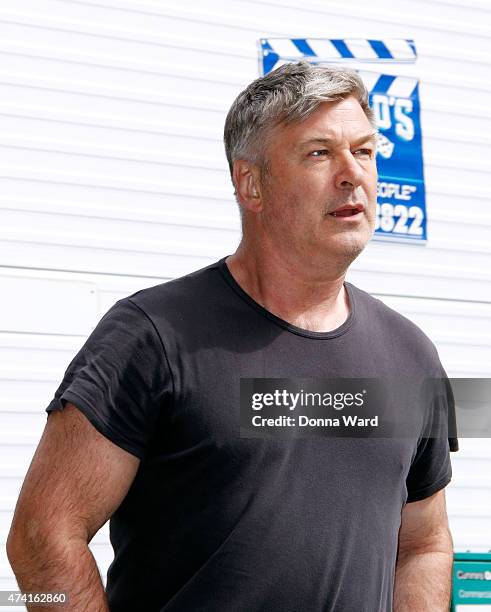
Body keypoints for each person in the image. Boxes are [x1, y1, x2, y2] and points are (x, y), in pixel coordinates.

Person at [7, 62, 458, 611]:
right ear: (252, 183)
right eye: (319, 153)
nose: (352, 174)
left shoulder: (410, 356)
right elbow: (40, 538)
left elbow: (422, 545)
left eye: (364, 151)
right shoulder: (153, 337)